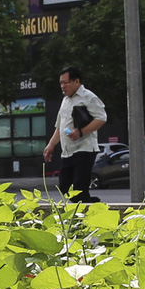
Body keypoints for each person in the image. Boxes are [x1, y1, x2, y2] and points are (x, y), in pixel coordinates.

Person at [43, 66, 108, 204]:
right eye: (61, 83)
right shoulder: (65, 100)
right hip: (68, 151)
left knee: (79, 187)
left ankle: (84, 215)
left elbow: (101, 118)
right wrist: (51, 145)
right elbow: (60, 126)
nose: (63, 86)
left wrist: (81, 132)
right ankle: (90, 204)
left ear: (76, 81)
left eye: (65, 82)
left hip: (84, 149)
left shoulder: (89, 97)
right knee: (65, 187)